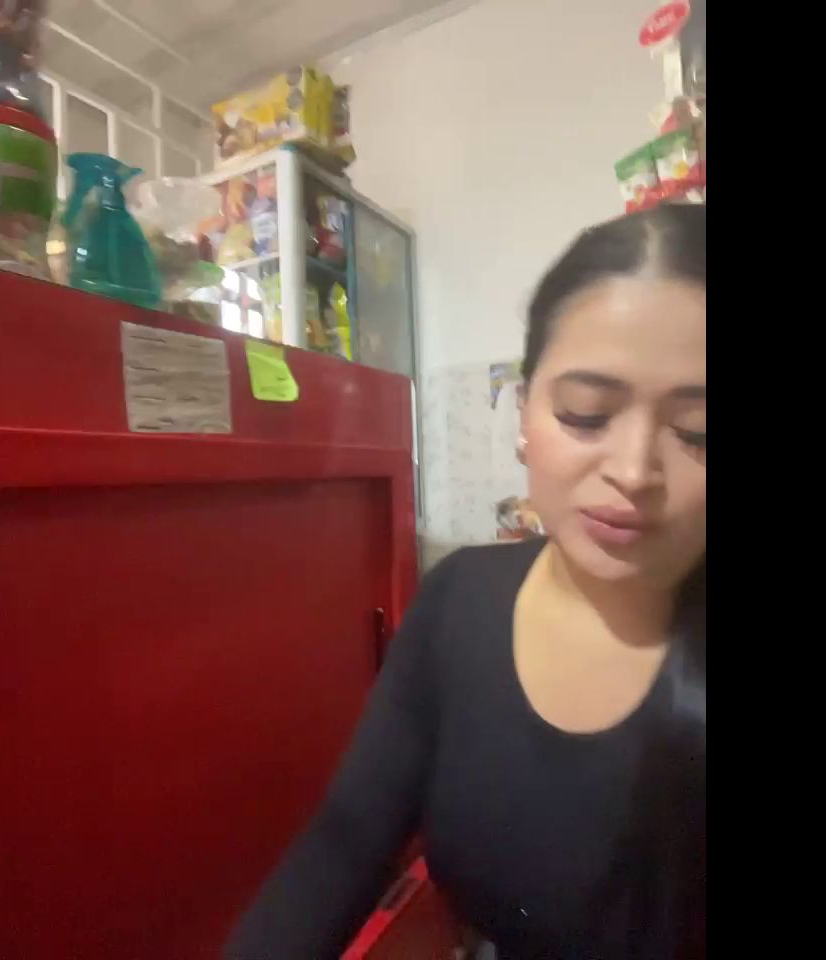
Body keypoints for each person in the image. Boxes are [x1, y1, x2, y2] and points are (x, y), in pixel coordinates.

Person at [225, 203, 706, 959]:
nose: (635, 470)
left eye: (697, 430)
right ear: (523, 414)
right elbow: (344, 841)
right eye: (586, 414)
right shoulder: (460, 601)